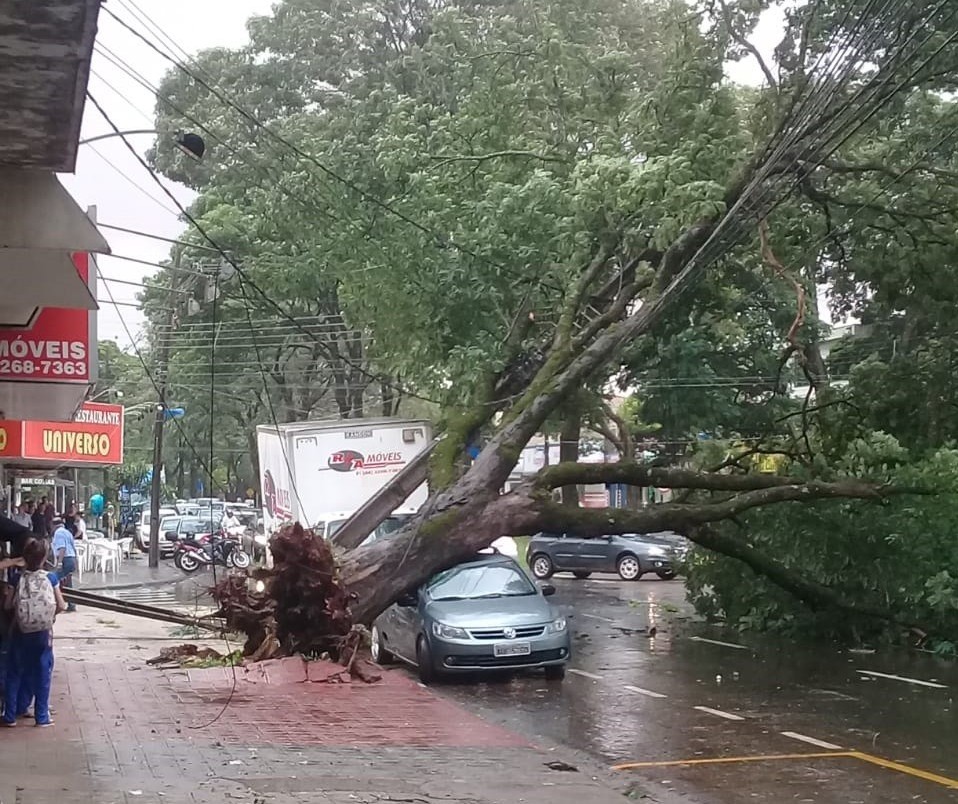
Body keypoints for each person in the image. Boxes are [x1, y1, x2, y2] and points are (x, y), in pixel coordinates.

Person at [2, 539, 64, 727]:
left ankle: (10, 716)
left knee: (14, 671)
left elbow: (7, 605)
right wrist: (49, 616)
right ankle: (42, 717)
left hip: (21, 631)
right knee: (42, 672)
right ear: (44, 558)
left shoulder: (17, 579)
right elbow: (61, 605)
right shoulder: (51, 578)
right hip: (42, 633)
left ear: (24, 558)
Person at [50, 519, 77, 613]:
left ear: (54, 525)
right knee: (68, 582)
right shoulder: (68, 532)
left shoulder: (58, 533)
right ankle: (72, 604)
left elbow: (62, 548)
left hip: (65, 559)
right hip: (71, 558)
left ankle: (55, 603)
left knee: (53, 579)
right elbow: (74, 547)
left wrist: (59, 563)